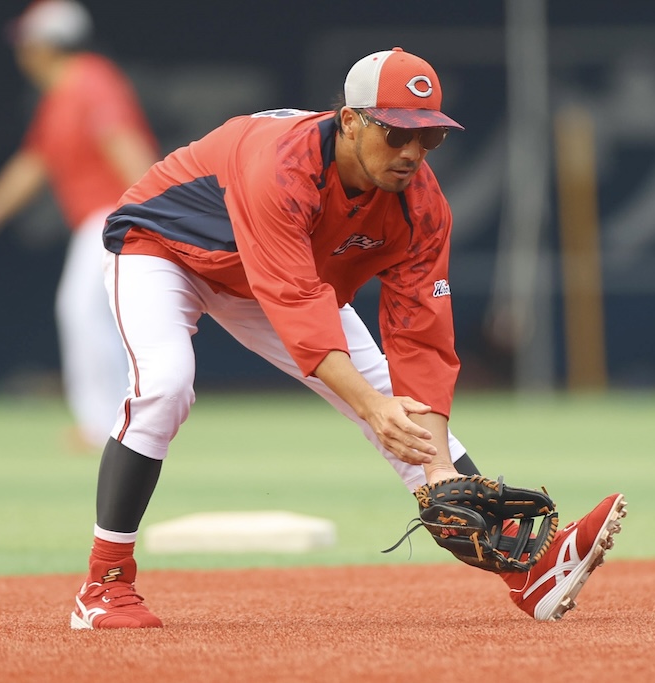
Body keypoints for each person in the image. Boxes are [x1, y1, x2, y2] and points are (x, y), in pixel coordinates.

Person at [69, 47, 625, 630]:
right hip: (166, 250)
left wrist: (436, 469)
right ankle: (103, 585)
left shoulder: (423, 206)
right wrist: (373, 408)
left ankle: (531, 571)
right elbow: (298, 305)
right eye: (396, 133)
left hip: (272, 280)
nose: (412, 153)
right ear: (351, 120)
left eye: (428, 138)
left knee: (398, 408)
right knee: (165, 384)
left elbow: (422, 336)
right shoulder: (283, 167)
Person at [0, 0, 160, 449]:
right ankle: (116, 421)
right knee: (91, 313)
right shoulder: (62, 93)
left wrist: (156, 209)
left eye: (26, 43)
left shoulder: (91, 80)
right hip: (102, 219)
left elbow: (125, 144)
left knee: (83, 310)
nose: (21, 54)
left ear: (44, 46)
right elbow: (33, 163)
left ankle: (106, 424)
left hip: (116, 213)